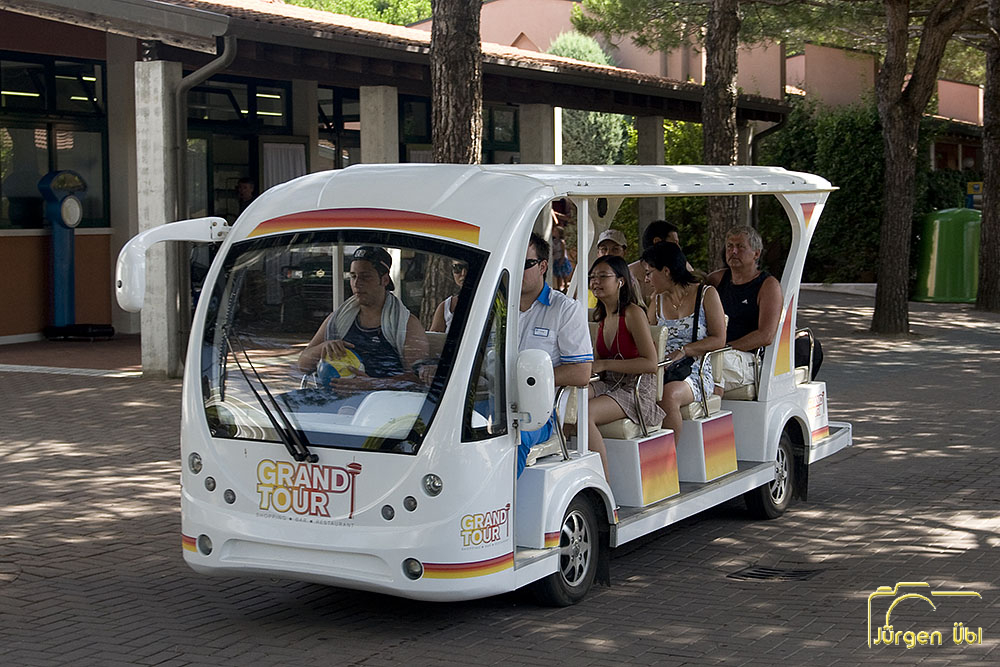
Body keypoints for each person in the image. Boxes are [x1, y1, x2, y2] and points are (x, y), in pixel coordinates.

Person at [298, 246, 432, 388]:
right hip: (334, 397)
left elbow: (418, 378)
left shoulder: (406, 324)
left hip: (382, 399)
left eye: (365, 277)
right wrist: (324, 347)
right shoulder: (338, 318)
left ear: (384, 280)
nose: (357, 283)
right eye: (353, 276)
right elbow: (302, 365)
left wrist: (372, 384)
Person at [517, 232, 593, 477]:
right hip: (492, 403)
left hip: (540, 412)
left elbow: (581, 373)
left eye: (525, 264)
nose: (517, 269)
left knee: (512, 437)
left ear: (542, 266)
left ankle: (501, 500)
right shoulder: (495, 307)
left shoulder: (565, 310)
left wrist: (524, 380)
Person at [587, 255, 664, 481]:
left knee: (585, 413)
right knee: (568, 400)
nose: (595, 281)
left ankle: (603, 483)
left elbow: (651, 364)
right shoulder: (601, 317)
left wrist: (604, 364)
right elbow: (598, 364)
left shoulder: (633, 313)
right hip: (610, 383)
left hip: (637, 387)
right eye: (593, 277)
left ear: (620, 281)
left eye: (603, 276)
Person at [643, 242, 725, 436]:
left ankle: (669, 454)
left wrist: (684, 351)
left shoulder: (706, 294)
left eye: (649, 273)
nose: (646, 279)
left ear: (666, 271)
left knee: (668, 395)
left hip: (695, 368)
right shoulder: (657, 300)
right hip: (662, 368)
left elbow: (719, 339)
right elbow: (648, 339)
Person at [706, 226, 783, 394]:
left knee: (710, 365)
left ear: (756, 254)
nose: (733, 251)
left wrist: (724, 348)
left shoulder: (768, 286)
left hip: (748, 357)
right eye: (729, 246)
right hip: (716, 351)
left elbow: (766, 335)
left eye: (740, 247)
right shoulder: (716, 279)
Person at [629, 220, 682, 304]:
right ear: (657, 241)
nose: (678, 248)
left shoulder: (684, 269)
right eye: (674, 243)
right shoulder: (628, 274)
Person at [597, 228, 645, 307]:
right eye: (604, 249)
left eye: (615, 249)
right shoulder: (589, 280)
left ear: (624, 252)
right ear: (598, 253)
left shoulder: (630, 281)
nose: (608, 254)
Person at [429, 260, 468, 333]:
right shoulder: (446, 307)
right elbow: (435, 338)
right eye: (457, 268)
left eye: (469, 268)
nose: (463, 273)